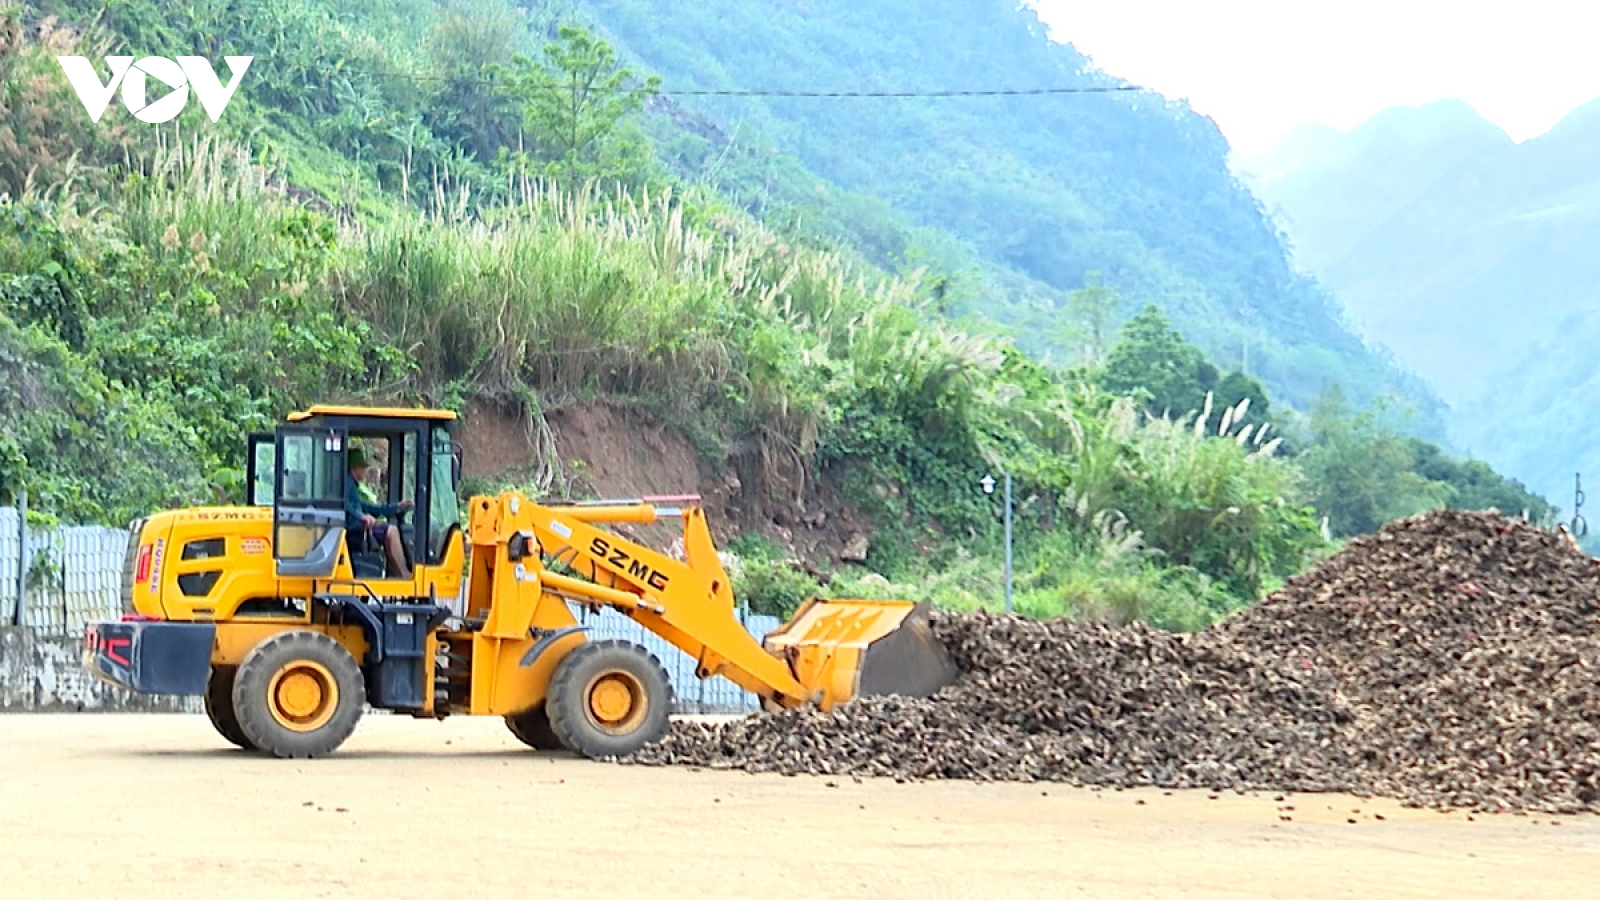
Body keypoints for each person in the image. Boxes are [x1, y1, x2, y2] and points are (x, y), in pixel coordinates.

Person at [345, 446, 414, 579]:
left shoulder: (353, 487)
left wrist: (397, 506)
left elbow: (371, 508)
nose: (365, 471)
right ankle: (404, 573)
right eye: (363, 467)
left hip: (358, 529)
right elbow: (344, 503)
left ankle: (396, 572)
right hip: (353, 531)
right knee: (391, 531)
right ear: (355, 468)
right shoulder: (347, 484)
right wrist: (362, 517)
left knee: (388, 531)